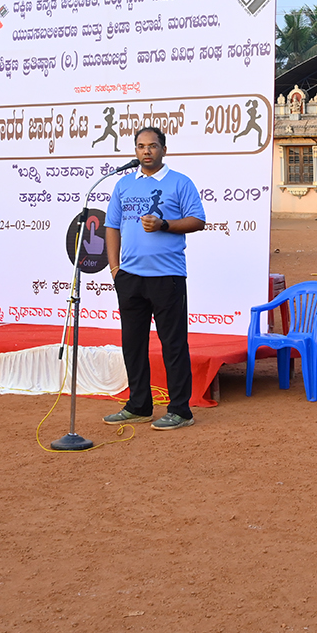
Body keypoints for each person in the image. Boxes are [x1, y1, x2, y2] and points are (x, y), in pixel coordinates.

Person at [100, 127, 206, 431]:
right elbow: (111, 226)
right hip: (130, 277)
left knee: (173, 343)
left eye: (153, 146)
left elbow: (198, 220)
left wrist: (164, 225)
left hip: (167, 276)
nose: (146, 151)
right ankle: (138, 405)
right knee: (132, 344)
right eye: (141, 146)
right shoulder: (123, 185)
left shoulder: (180, 182)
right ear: (135, 151)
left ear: (164, 149)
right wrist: (114, 268)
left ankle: (180, 410)